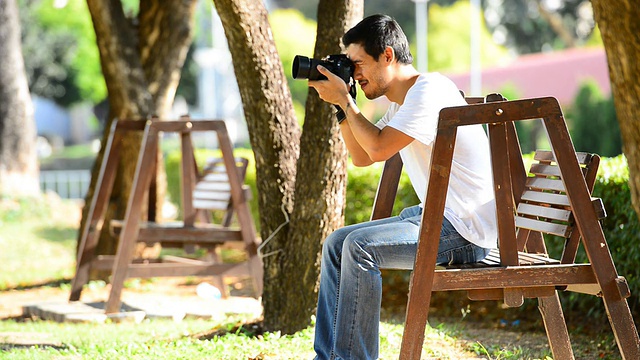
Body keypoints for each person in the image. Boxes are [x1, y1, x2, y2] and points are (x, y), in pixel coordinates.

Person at [307, 14, 498, 360]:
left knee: (359, 248)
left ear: (388, 56)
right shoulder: (402, 101)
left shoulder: (429, 90)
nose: (354, 74)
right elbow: (362, 157)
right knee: (337, 243)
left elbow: (378, 148)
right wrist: (340, 107)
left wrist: (348, 103)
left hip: (466, 230)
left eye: (358, 64)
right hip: (439, 219)